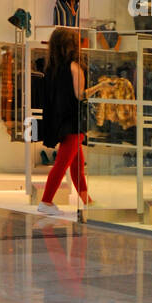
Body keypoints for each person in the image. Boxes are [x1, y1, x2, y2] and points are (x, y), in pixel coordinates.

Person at [37, 26, 90, 217]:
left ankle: (87, 201)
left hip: (59, 121)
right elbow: (80, 95)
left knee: (76, 165)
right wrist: (99, 88)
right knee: (62, 164)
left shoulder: (51, 68)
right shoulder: (75, 66)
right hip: (73, 121)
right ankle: (46, 200)